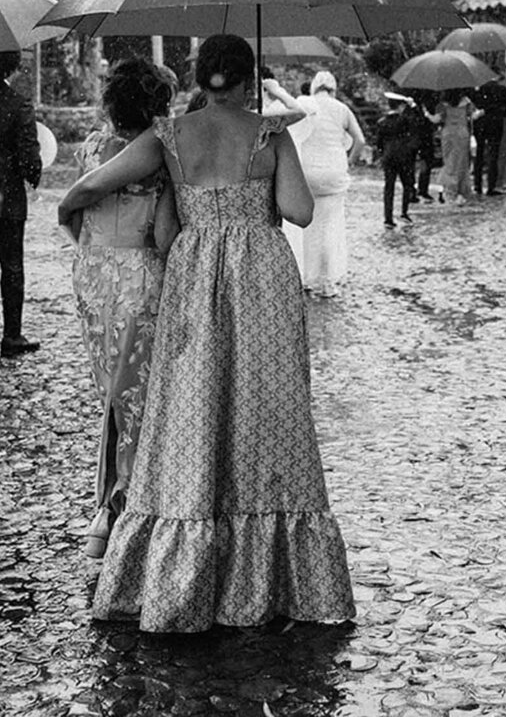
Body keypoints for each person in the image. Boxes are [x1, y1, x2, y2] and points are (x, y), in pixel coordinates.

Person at [56, 33, 356, 632]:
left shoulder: (169, 137)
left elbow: (130, 204)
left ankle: (181, 567)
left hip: (194, 280)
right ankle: (269, 569)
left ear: (199, 77)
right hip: (263, 283)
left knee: (193, 410)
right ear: (248, 79)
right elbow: (299, 211)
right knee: (266, 414)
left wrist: (72, 216)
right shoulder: (269, 134)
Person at [68, 58, 179, 559]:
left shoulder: (93, 144)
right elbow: (159, 233)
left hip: (93, 272)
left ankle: (110, 506)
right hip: (138, 274)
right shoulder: (159, 145)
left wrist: (88, 244)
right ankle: (123, 506)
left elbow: (83, 218)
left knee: (115, 390)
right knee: (141, 395)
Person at [0, 50, 45, 358]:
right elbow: (29, 156)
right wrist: (34, 173)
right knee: (11, 269)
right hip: (7, 202)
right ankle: (11, 336)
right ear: (13, 68)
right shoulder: (18, 104)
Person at [284, 70, 366, 297]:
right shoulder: (342, 109)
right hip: (333, 173)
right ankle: (328, 281)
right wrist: (349, 161)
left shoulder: (306, 105)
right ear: (333, 88)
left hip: (307, 172)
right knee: (331, 227)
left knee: (309, 228)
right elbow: (360, 140)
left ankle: (307, 277)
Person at [373, 91, 423, 226]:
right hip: (404, 157)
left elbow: (378, 142)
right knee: (407, 185)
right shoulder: (405, 120)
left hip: (388, 157)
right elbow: (419, 122)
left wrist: (382, 154)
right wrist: (413, 106)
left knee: (389, 187)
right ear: (400, 106)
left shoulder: (381, 122)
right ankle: (404, 213)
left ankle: (388, 217)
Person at [471, 76, 506, 196]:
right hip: (495, 124)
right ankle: (491, 186)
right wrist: (495, 111)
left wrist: (483, 111)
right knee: (493, 155)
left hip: (480, 125)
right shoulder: (501, 89)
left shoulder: (477, 89)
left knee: (479, 155)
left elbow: (474, 106)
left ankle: (477, 185)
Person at [434, 89, 475, 203]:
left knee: (449, 162)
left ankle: (450, 190)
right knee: (462, 162)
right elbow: (473, 116)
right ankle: (462, 191)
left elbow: (437, 119)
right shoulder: (467, 102)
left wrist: (427, 114)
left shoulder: (442, 105)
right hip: (462, 134)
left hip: (448, 134)